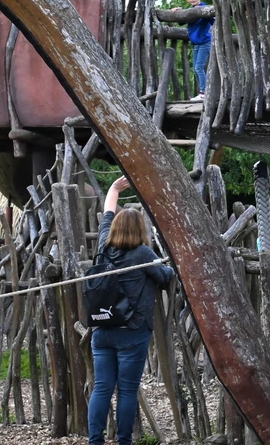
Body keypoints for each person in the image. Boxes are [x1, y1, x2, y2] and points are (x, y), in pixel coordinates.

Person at [87, 176, 175, 445]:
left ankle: (95, 441)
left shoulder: (104, 247)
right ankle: (124, 441)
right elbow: (165, 276)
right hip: (132, 332)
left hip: (102, 329)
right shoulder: (143, 254)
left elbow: (107, 216)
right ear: (140, 230)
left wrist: (113, 188)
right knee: (126, 390)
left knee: (101, 388)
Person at [173, 0, 214, 100]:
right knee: (196, 69)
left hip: (205, 41)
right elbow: (181, 21)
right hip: (196, 44)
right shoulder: (190, 12)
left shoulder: (205, 8)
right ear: (187, 0)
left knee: (199, 67)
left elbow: (213, 19)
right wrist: (178, 10)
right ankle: (203, 92)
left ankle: (204, 93)